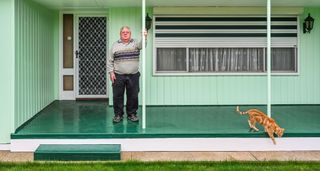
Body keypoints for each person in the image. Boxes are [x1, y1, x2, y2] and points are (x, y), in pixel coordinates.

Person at [107, 26, 147, 123]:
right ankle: (118, 115)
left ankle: (132, 114)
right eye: (123, 32)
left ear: (130, 34)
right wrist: (111, 72)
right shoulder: (115, 45)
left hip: (133, 75)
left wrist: (145, 36)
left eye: (127, 32)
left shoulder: (135, 43)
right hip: (118, 75)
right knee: (117, 96)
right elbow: (110, 60)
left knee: (133, 95)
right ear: (120, 34)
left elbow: (143, 45)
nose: (125, 33)